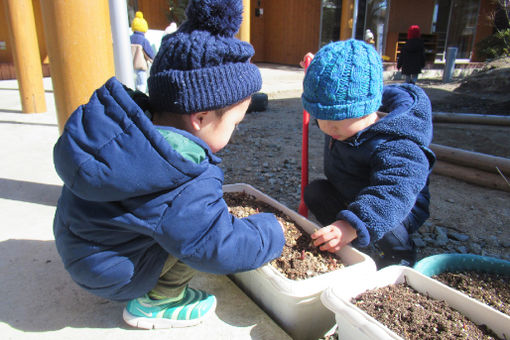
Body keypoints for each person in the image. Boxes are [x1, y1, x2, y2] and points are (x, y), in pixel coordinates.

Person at [52, 0, 285, 330]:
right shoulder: (179, 175)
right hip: (114, 275)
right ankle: (159, 302)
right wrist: (272, 232)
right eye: (235, 124)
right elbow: (217, 246)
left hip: (79, 245)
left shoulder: (125, 130)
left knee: (175, 222)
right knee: (192, 238)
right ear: (200, 118)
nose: (236, 132)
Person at [300, 39, 435, 269]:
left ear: (368, 110)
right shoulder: (342, 127)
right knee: (315, 192)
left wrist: (352, 225)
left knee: (387, 222)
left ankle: (399, 255)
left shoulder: (396, 141)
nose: (329, 129)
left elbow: (394, 192)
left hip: (397, 204)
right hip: (351, 191)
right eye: (322, 118)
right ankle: (349, 236)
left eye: (339, 121)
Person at [130, 11, 155, 92]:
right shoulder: (143, 40)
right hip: (140, 66)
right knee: (142, 85)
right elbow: (150, 54)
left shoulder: (129, 38)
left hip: (130, 66)